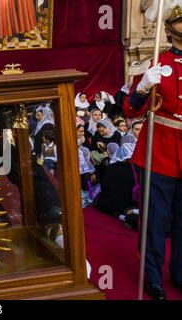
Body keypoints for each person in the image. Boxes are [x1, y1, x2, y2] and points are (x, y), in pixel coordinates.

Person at [122, 5, 182, 300]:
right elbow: (130, 110)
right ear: (169, 29)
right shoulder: (154, 63)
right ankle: (154, 276)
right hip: (157, 152)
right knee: (155, 220)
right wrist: (144, 87)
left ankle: (180, 273)